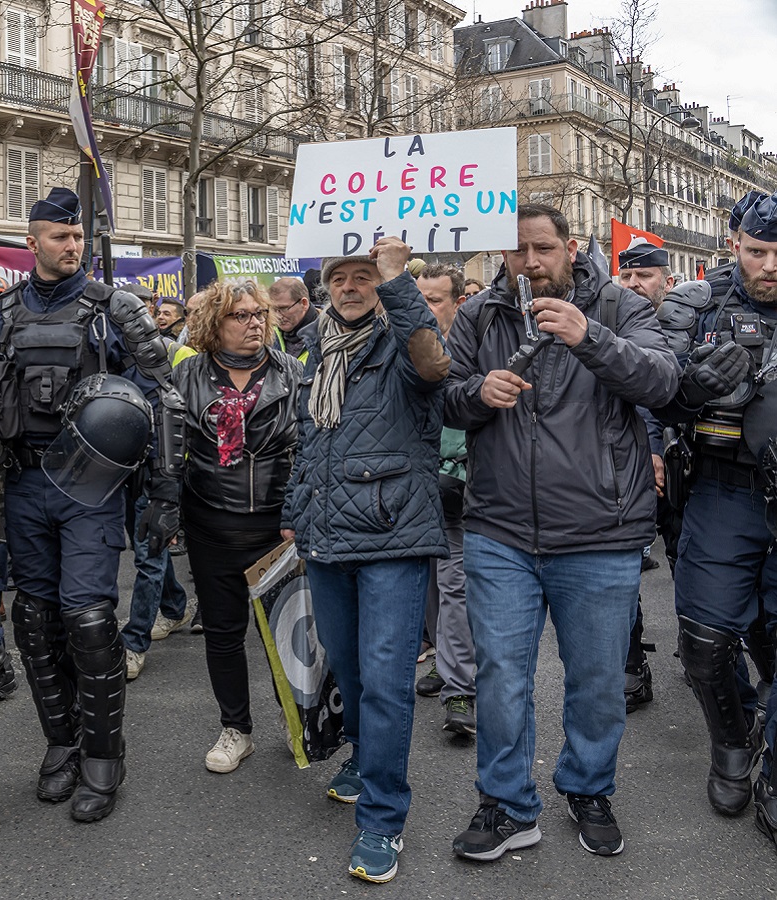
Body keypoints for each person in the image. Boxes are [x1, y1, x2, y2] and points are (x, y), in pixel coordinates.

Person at [444, 203, 679, 863]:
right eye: (516, 250)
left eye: (542, 248)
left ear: (572, 246)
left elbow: (662, 383)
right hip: (500, 527)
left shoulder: (615, 306)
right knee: (500, 676)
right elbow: (446, 398)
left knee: (598, 679)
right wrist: (475, 395)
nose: (529, 262)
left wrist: (588, 338)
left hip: (600, 529)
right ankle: (509, 805)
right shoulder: (479, 312)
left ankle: (588, 788)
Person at [0, 186, 184, 823]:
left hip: (90, 487)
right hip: (23, 482)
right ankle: (61, 742)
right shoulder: (1, 312)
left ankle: (103, 754)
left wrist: (164, 497)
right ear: (31, 240)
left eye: (78, 236)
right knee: (34, 621)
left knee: (87, 619)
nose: (73, 246)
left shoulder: (113, 309)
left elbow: (165, 400)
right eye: (60, 237)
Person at [282, 238, 451, 883]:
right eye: (341, 278)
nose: (352, 287)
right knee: (348, 667)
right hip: (326, 536)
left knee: (385, 679)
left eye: (363, 277)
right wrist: (295, 511)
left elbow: (436, 367)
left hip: (392, 535)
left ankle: (383, 817)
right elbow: (308, 439)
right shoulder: (315, 351)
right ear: (326, 288)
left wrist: (399, 278)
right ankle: (361, 756)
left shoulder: (404, 344)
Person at [652, 192, 777, 835]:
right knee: (703, 646)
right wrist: (693, 386)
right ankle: (733, 742)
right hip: (722, 490)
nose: (771, 265)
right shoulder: (693, 305)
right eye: (759, 251)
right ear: (734, 244)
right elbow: (653, 395)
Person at [148, 279, 301, 768]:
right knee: (223, 632)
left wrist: (300, 511)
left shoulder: (294, 373)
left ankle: (301, 721)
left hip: (278, 527)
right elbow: (168, 454)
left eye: (259, 314)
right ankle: (236, 728)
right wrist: (167, 509)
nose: (254, 322)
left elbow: (310, 451)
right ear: (215, 324)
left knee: (288, 632)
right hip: (210, 520)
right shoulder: (187, 375)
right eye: (241, 315)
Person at [412, 265, 476, 737]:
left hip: (461, 489)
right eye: (421, 299)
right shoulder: (405, 346)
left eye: (435, 300)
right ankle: (443, 658)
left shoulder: (473, 348)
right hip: (415, 487)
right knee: (432, 582)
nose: (427, 309)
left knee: (455, 584)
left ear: (457, 302)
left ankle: (461, 688)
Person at [617, 236, 679, 712]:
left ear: (668, 281)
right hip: (626, 472)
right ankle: (632, 665)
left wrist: (658, 446)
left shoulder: (690, 327)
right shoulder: (608, 322)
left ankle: (706, 653)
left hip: (684, 475)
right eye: (628, 276)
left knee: (690, 570)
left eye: (645, 276)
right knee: (621, 576)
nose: (635, 284)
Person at [269, 276, 318, 362]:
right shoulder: (269, 335)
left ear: (304, 304)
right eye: (273, 309)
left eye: (283, 308)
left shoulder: (327, 335)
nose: (278, 316)